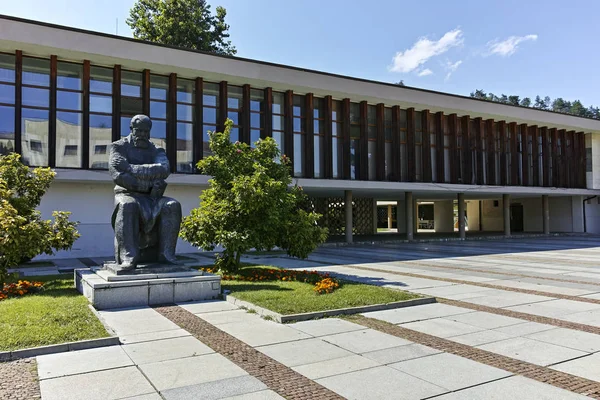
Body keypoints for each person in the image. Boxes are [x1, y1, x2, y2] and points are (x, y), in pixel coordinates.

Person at [108, 114, 181, 271]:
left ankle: (166, 254)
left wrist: (130, 167)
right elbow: (119, 176)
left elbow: (164, 169)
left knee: (172, 205)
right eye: (138, 130)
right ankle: (128, 258)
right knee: (127, 206)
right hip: (127, 194)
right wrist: (147, 183)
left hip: (153, 197)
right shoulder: (118, 147)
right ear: (131, 129)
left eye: (145, 131)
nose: (142, 135)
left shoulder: (156, 149)